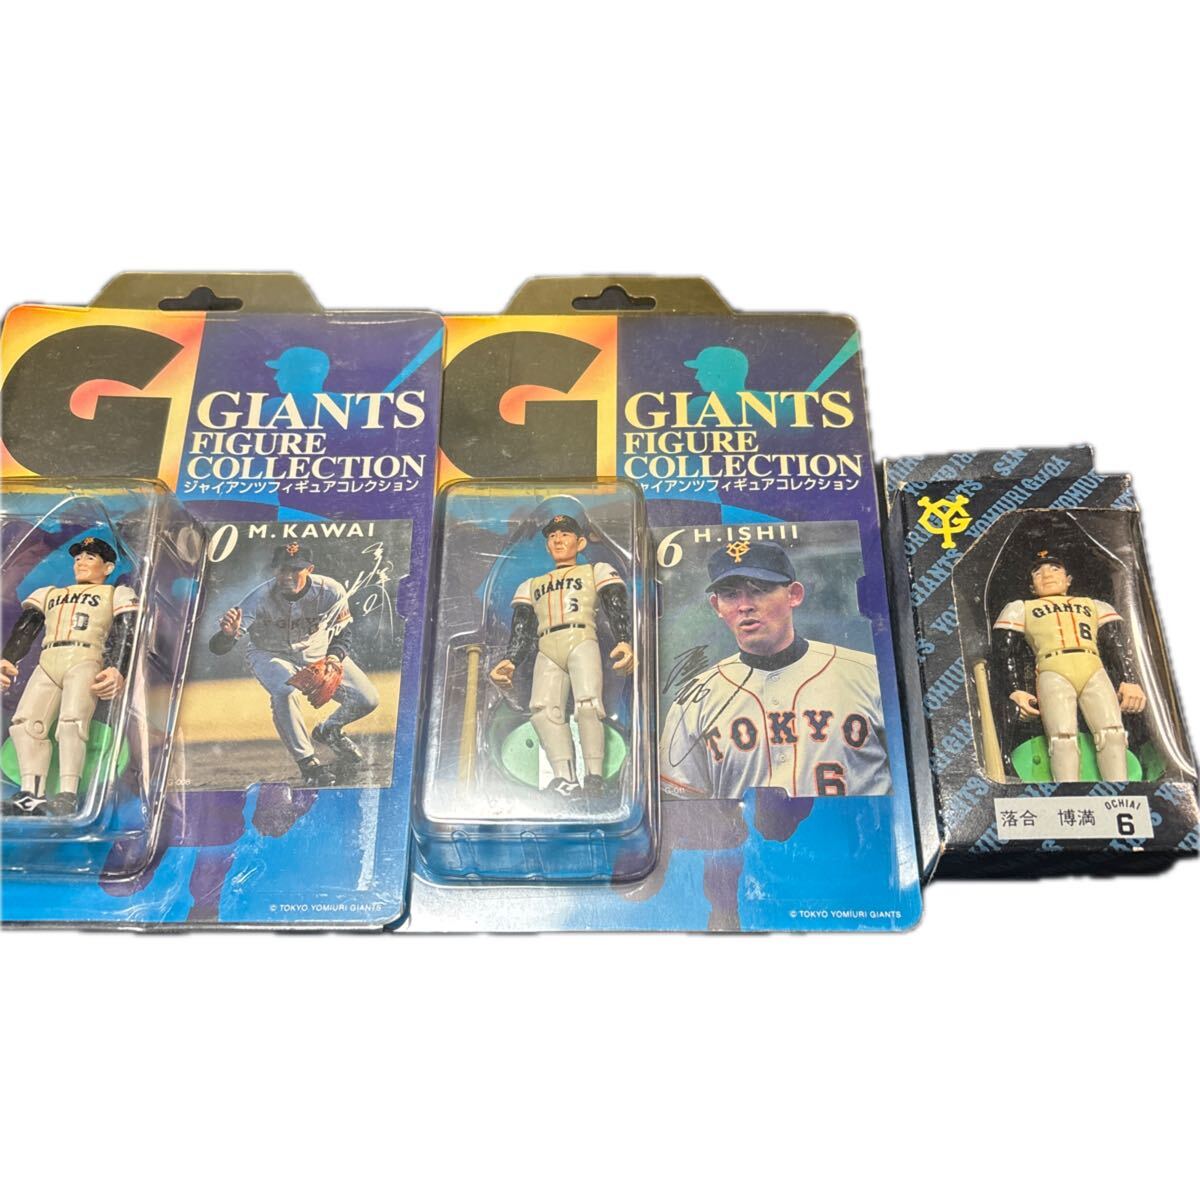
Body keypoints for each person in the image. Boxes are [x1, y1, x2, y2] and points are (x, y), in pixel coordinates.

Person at [660, 541, 890, 800]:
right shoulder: (695, 698)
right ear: (716, 606)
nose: (745, 606)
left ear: (794, 594)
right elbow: (682, 806)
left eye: (759, 590)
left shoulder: (871, 674)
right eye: (730, 595)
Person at [208, 542, 378, 786]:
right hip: (269, 654)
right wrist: (226, 635)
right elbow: (218, 648)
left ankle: (329, 730)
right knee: (285, 691)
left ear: (309, 569)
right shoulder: (258, 598)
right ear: (274, 570)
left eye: (295, 569)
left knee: (367, 699)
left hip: (318, 654)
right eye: (281, 569)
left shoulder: (330, 590)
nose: (287, 576)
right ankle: (308, 764)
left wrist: (334, 658)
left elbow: (342, 632)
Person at [1, 536, 137, 817]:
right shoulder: (49, 593)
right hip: (48, 658)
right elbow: (26, 628)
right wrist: (8, 659)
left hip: (86, 658)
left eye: (90, 558)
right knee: (24, 724)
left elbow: (127, 629)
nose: (81, 562)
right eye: (78, 558)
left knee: (72, 723)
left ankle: (67, 794)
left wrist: (118, 668)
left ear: (108, 567)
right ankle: (31, 795)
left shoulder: (116, 594)